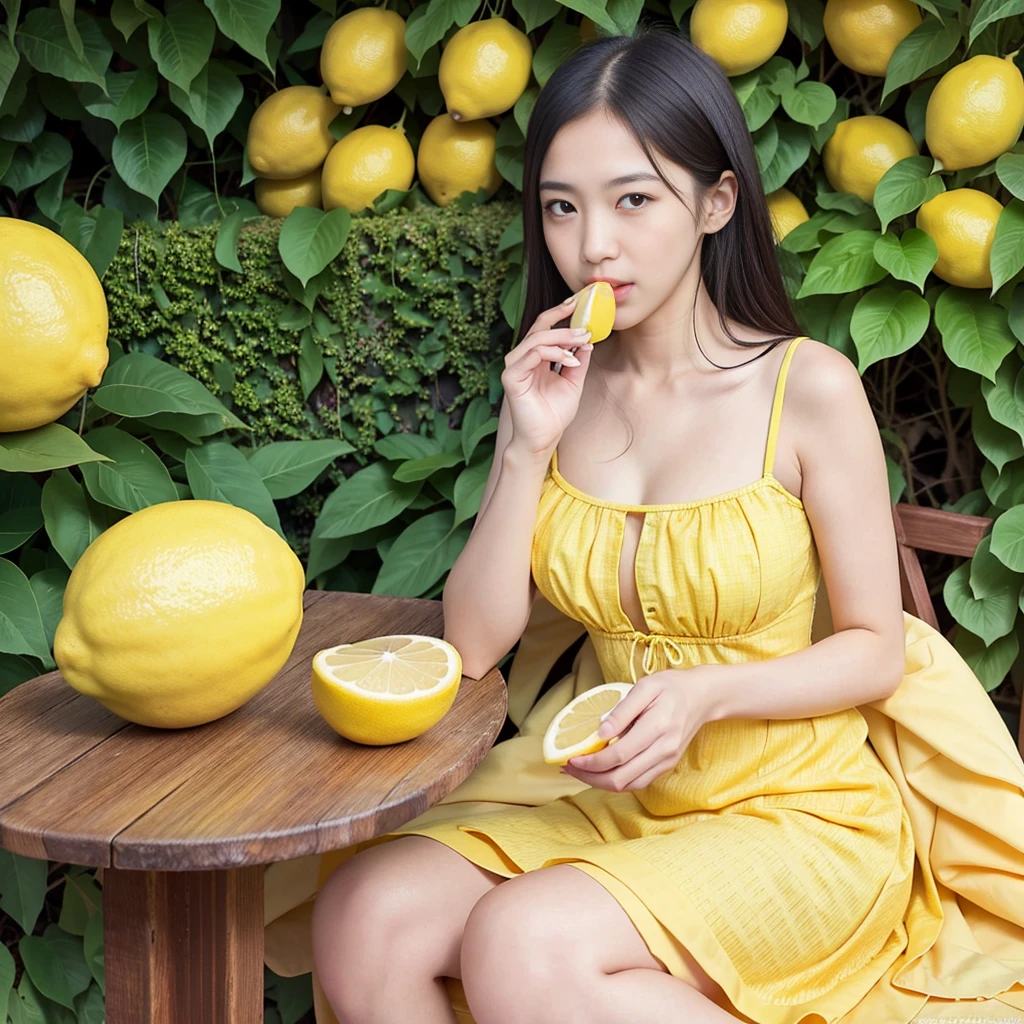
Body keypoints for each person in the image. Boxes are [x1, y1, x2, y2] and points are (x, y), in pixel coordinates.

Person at [263, 27, 1024, 1024]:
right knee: (366, 914)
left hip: (796, 810)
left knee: (523, 942)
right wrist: (525, 442)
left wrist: (704, 695)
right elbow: (480, 644)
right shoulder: (559, 387)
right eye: (561, 208)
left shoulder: (806, 389)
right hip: (614, 792)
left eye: (632, 200)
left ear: (713, 203)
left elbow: (874, 652)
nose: (593, 246)